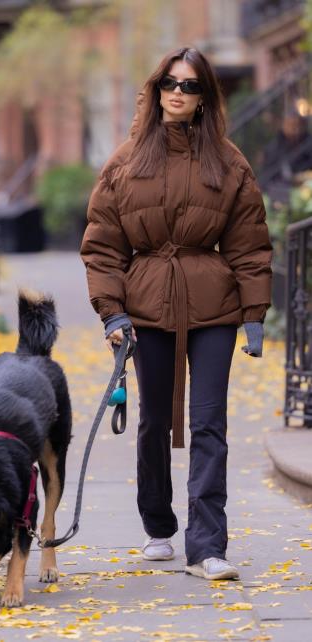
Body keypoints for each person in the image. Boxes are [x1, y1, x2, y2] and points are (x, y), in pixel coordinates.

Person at [81, 47, 272, 581]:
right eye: (170, 82)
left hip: (213, 305)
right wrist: (113, 313)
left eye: (190, 86)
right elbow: (102, 246)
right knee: (153, 422)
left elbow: (250, 244)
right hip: (146, 305)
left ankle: (208, 544)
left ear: (205, 97)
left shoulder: (229, 162)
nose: (178, 93)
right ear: (156, 87)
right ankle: (159, 525)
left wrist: (254, 312)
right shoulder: (125, 161)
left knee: (210, 422)